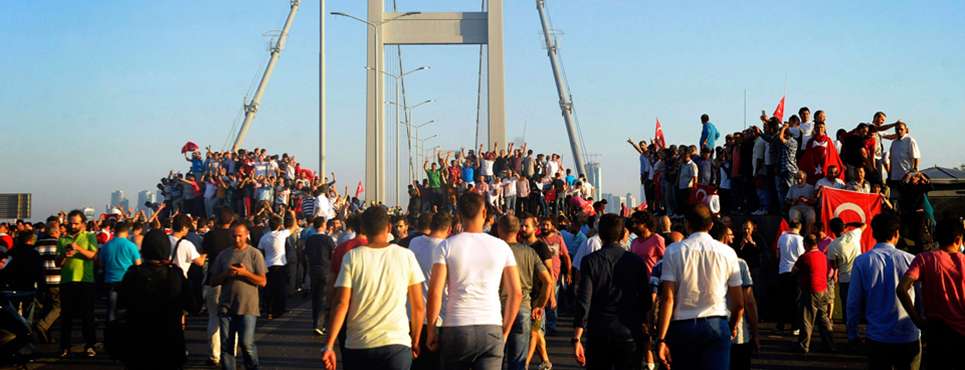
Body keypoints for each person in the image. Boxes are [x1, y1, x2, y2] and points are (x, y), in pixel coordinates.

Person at [425, 192, 523, 370]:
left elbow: (435, 292)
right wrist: (505, 331)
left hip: (456, 326)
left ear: (459, 214)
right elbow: (516, 293)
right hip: (491, 326)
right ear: (484, 213)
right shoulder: (502, 247)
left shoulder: (446, 246)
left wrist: (431, 329)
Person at [322, 206, 425, 370]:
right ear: (389, 228)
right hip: (396, 344)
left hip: (359, 344)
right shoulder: (406, 256)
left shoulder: (352, 257)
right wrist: (416, 339)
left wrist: (329, 344)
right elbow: (418, 306)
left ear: (362, 229)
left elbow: (341, 303)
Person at [655, 204, 744, 370]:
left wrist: (661, 339)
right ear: (710, 225)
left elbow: (668, 299)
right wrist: (731, 327)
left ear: (687, 224)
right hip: (716, 321)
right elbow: (739, 303)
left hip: (683, 325)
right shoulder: (728, 253)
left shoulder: (673, 251)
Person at [572, 214, 649, 370]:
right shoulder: (637, 262)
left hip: (599, 331)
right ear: (622, 235)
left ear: (600, 234)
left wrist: (577, 337)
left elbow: (584, 301)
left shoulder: (590, 261)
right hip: (629, 330)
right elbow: (645, 300)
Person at [847, 212, 921, 369]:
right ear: (896, 234)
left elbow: (853, 302)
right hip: (907, 334)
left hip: (878, 336)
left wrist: (852, 333)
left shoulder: (862, 261)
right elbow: (921, 299)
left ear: (873, 233)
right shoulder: (910, 259)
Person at [115, 230, 190, 369]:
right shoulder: (174, 274)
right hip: (170, 341)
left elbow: (121, 305)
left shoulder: (133, 273)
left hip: (138, 341)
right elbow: (193, 304)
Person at [897, 218, 965, 369]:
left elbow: (902, 288)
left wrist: (917, 320)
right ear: (958, 239)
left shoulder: (924, 259)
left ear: (935, 237)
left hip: (936, 332)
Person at [209, 221, 268, 370]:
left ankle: (252, 366)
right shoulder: (224, 255)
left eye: (240, 236)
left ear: (247, 234)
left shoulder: (254, 254)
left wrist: (245, 273)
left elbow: (262, 281)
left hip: (248, 306)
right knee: (226, 344)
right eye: (234, 236)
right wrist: (226, 274)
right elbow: (213, 281)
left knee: (246, 343)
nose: (237, 239)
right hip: (226, 306)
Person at [498, 215, 552, 370]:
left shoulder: (496, 250)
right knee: (518, 362)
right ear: (517, 231)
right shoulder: (530, 252)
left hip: (499, 309)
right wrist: (539, 305)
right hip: (523, 308)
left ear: (500, 229)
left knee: (496, 360)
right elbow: (548, 281)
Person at [408, 212, 451, 370]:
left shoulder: (414, 243)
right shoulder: (446, 248)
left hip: (413, 316)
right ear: (449, 229)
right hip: (439, 318)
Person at [57, 210, 99, 358]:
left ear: (83, 224)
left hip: (85, 281)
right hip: (67, 281)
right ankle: (64, 347)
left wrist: (78, 248)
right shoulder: (62, 239)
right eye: (71, 223)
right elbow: (58, 263)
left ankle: (90, 345)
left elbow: (93, 256)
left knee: (87, 316)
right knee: (66, 316)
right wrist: (65, 255)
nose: (73, 225)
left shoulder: (89, 236)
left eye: (76, 223)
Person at [201, 208, 236, 367]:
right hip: (232, 280)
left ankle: (214, 355)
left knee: (213, 317)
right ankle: (231, 352)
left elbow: (203, 256)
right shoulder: (235, 237)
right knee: (231, 318)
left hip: (213, 280)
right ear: (231, 221)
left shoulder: (209, 236)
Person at [792, 235, 835, 353]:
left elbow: (793, 270)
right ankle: (830, 344)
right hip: (823, 289)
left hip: (810, 290)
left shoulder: (804, 257)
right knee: (823, 318)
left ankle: (803, 346)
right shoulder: (823, 256)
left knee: (807, 319)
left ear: (806, 244)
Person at [97, 222, 141, 322]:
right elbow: (138, 264)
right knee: (127, 311)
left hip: (110, 281)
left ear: (115, 231)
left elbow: (101, 265)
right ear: (126, 232)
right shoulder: (131, 246)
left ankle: (110, 333)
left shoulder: (106, 246)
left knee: (111, 312)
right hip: (127, 282)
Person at [257, 211, 295, 319]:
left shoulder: (264, 237)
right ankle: (279, 310)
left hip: (268, 265)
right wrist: (293, 215)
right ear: (279, 225)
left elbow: (260, 251)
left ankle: (269, 310)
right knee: (281, 289)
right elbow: (293, 227)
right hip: (280, 265)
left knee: (269, 289)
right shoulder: (281, 234)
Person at [826, 217, 864, 325]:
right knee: (859, 303)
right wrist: (849, 223)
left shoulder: (833, 246)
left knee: (846, 305)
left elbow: (833, 265)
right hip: (858, 276)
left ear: (832, 230)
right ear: (843, 227)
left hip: (844, 279)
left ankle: (849, 330)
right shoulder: (853, 235)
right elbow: (863, 225)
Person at [33, 217, 63, 344]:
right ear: (56, 232)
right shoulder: (59, 243)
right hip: (56, 280)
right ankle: (43, 326)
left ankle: (46, 335)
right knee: (58, 307)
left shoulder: (38, 244)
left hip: (42, 281)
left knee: (46, 308)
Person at [304, 216, 335, 334]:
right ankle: (319, 324)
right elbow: (332, 254)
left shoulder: (309, 240)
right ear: (323, 225)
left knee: (315, 297)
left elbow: (305, 255)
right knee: (323, 297)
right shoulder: (328, 239)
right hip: (325, 270)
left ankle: (315, 322)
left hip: (313, 270)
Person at [776, 220, 804, 333]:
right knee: (796, 300)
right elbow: (802, 257)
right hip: (796, 272)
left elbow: (777, 254)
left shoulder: (781, 238)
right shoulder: (800, 239)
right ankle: (795, 326)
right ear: (800, 227)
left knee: (782, 299)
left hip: (783, 271)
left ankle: (780, 326)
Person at [627, 211, 665, 276]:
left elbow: (664, 261)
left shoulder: (657, 239)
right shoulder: (634, 242)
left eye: (637, 222)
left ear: (646, 224)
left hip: (652, 281)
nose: (634, 225)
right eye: (633, 223)